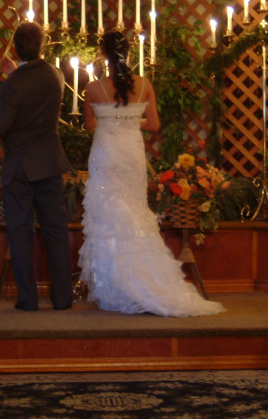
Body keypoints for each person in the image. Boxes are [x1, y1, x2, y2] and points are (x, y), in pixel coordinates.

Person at [77, 31, 225, 317]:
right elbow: (154, 124)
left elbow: (89, 125)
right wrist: (130, 117)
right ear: (129, 54)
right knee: (134, 212)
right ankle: (143, 281)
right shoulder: (144, 84)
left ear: (104, 55)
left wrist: (112, 118)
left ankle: (114, 284)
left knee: (109, 216)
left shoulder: (94, 88)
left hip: (106, 155)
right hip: (132, 155)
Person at [0, 21, 72, 311]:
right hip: (50, 163)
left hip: (20, 168)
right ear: (42, 46)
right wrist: (16, 72)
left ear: (15, 48)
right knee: (56, 232)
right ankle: (63, 298)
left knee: (21, 232)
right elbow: (35, 94)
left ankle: (28, 299)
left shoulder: (12, 86)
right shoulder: (55, 75)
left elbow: (0, 125)